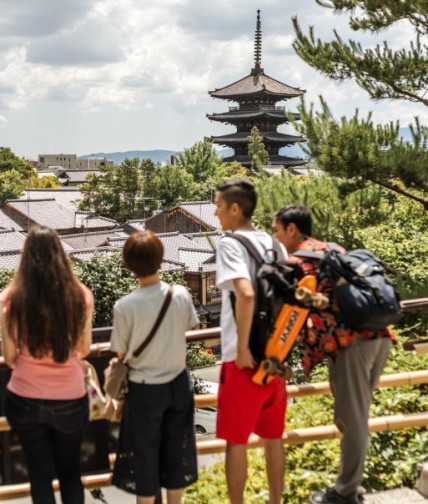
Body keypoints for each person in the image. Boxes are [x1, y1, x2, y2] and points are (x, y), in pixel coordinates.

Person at [273, 204, 394, 504]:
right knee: (358, 416)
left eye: (277, 230)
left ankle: (346, 492)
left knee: (350, 420)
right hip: (379, 336)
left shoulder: (296, 261)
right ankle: (352, 485)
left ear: (292, 229)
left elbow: (288, 316)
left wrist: (279, 358)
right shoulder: (333, 249)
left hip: (350, 345)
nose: (276, 237)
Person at [0, 225, 94, 504]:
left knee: (40, 477)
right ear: (60, 254)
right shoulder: (80, 296)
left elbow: (10, 357)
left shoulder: (10, 299)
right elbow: (84, 349)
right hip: (70, 399)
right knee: (70, 473)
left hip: (26, 400)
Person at [110, 230, 199, 504]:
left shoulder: (124, 306)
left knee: (144, 461)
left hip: (144, 390)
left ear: (129, 265)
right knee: (176, 455)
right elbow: (189, 325)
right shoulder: (180, 294)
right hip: (178, 384)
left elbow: (122, 352)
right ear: (161, 259)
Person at [214, 179, 288, 504]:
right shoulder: (276, 246)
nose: (215, 213)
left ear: (234, 208)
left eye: (218, 205)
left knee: (237, 442)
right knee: (274, 438)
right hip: (274, 357)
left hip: (241, 359)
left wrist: (243, 347)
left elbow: (245, 294)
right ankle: (276, 501)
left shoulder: (230, 244)